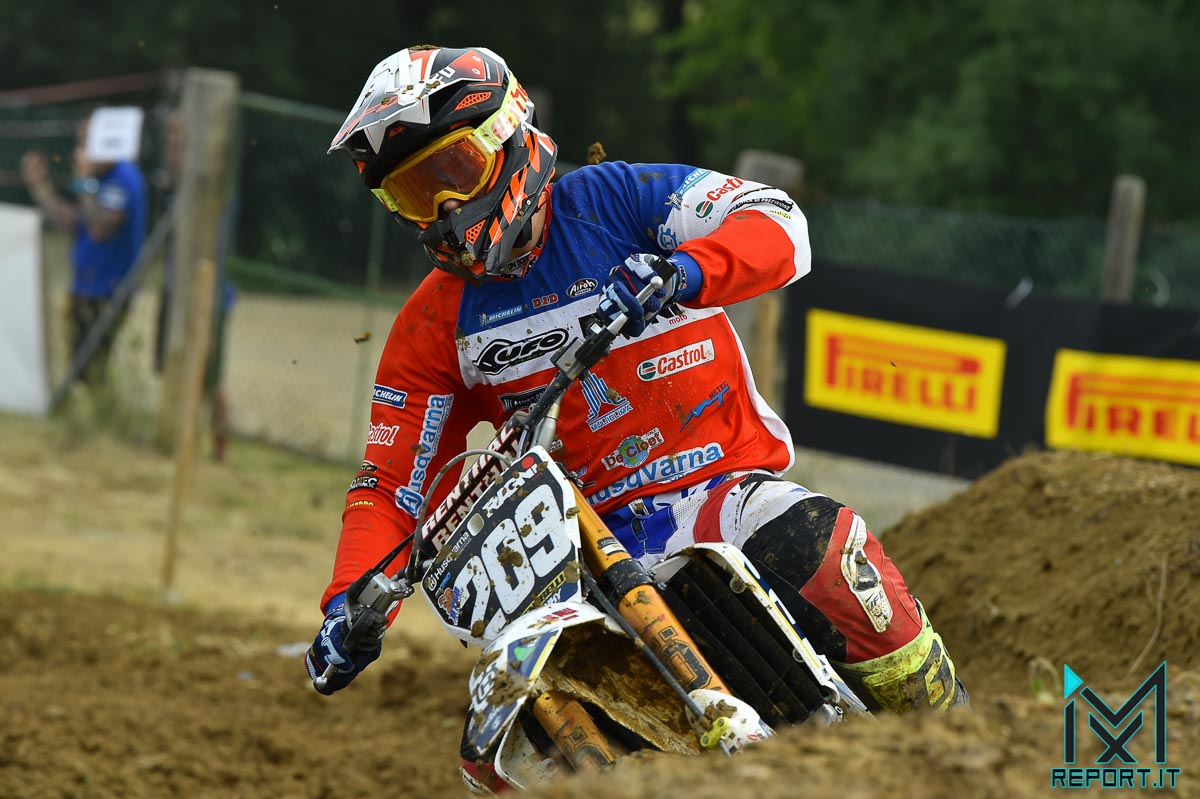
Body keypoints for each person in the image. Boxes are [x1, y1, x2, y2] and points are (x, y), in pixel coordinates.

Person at [306, 45, 966, 732]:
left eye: (454, 171)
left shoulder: (618, 200)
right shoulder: (433, 322)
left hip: (721, 496)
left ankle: (953, 732)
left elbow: (780, 222)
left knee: (824, 551)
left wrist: (684, 272)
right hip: (578, 560)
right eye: (414, 193)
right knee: (517, 726)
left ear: (507, 136)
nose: (444, 208)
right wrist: (347, 604)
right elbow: (392, 485)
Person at [20, 113, 148, 385]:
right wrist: (40, 187)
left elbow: (99, 227)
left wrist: (84, 182)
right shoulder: (98, 180)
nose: (80, 151)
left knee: (93, 370)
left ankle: (103, 409)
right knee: (82, 372)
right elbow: (72, 222)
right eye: (80, 142)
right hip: (85, 286)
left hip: (109, 290)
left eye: (87, 142)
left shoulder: (123, 178)